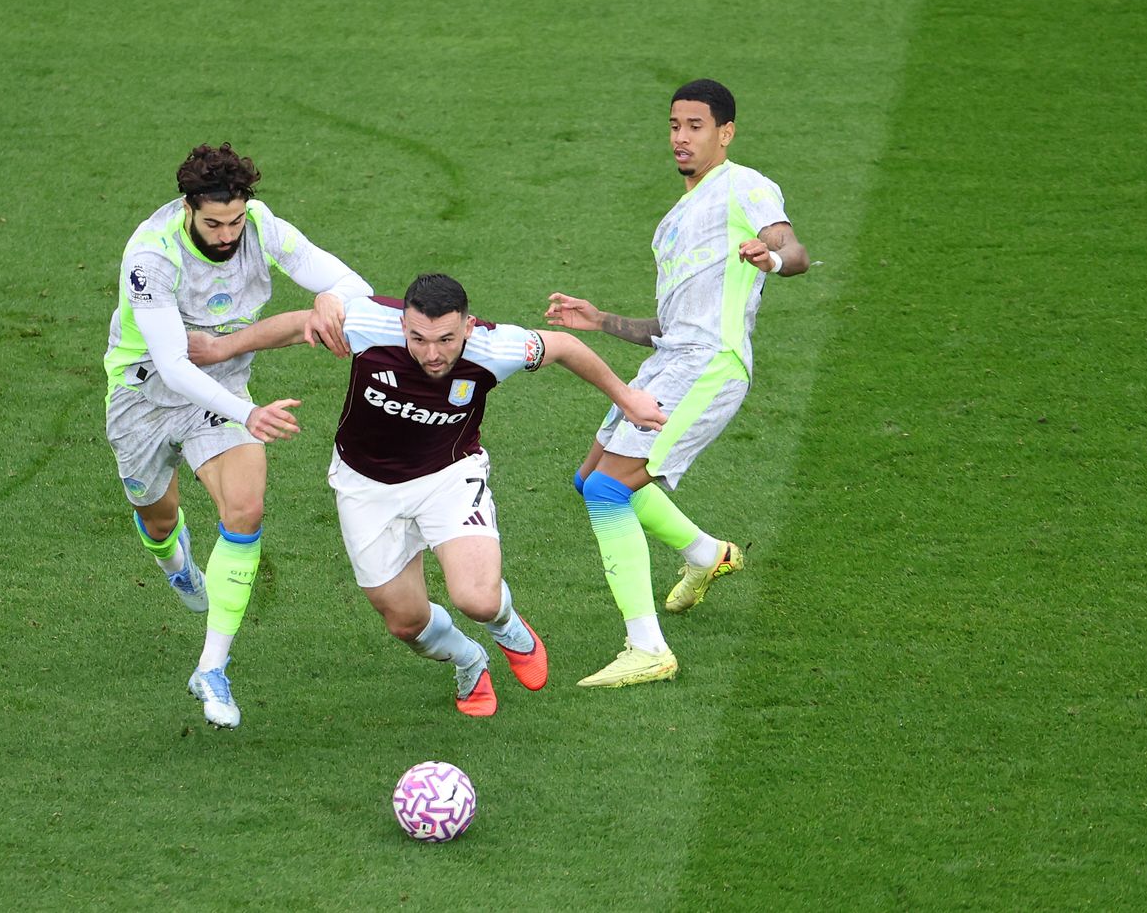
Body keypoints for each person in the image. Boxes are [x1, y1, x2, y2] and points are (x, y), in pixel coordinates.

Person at [189, 274, 667, 716]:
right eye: (418, 339)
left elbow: (563, 345)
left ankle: (506, 626)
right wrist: (218, 348)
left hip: (448, 477)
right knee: (405, 623)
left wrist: (627, 398)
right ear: (402, 324)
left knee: (478, 600)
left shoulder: (496, 347)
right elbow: (298, 325)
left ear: (468, 327)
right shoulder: (368, 323)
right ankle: (468, 659)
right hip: (364, 487)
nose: (432, 354)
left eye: (446, 340)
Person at [545, 79, 810, 689]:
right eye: (674, 126)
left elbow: (793, 251)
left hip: (710, 366)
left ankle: (647, 649)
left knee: (608, 490)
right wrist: (599, 320)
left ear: (725, 133)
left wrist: (771, 259)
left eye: (695, 126)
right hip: (672, 360)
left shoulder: (745, 186)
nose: (681, 138)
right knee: (589, 478)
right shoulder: (672, 222)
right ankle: (706, 555)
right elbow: (670, 325)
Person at [103, 142, 373, 728]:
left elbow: (352, 282)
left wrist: (330, 297)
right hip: (144, 397)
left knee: (245, 509)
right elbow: (174, 365)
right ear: (188, 208)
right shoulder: (150, 258)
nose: (227, 236)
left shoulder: (261, 225)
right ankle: (174, 561)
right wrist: (247, 414)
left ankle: (212, 668)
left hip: (222, 390)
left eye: (235, 221)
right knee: (158, 519)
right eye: (213, 224)